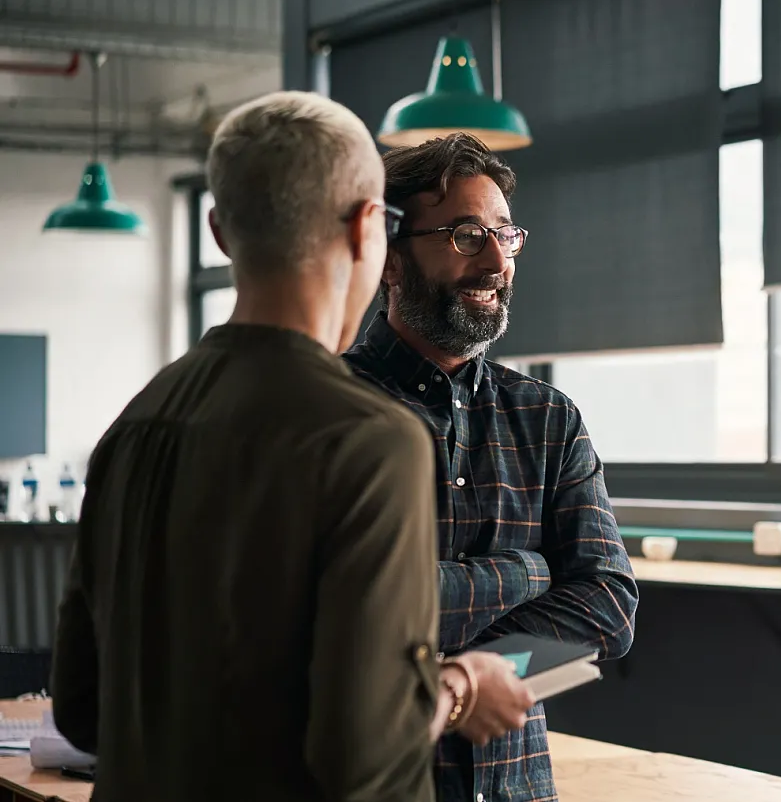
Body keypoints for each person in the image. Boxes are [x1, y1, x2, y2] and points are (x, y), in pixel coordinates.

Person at [50, 92, 537, 802]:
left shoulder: (134, 426)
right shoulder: (372, 440)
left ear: (219, 231)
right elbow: (366, 759)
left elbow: (82, 709)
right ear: (370, 229)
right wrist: (461, 685)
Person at [344, 132, 639, 802]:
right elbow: (342, 613)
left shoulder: (547, 417)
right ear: (391, 258)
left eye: (506, 237)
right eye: (465, 235)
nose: (494, 261)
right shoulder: (330, 411)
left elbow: (609, 605)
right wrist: (528, 573)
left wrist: (475, 671)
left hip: (516, 787)